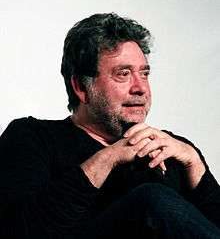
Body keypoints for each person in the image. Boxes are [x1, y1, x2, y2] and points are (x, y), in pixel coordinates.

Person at [0, 13, 220, 239]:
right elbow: (15, 230)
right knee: (151, 199)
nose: (140, 88)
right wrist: (108, 158)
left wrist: (194, 163)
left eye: (144, 74)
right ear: (81, 87)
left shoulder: (170, 149)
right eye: (123, 74)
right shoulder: (32, 137)